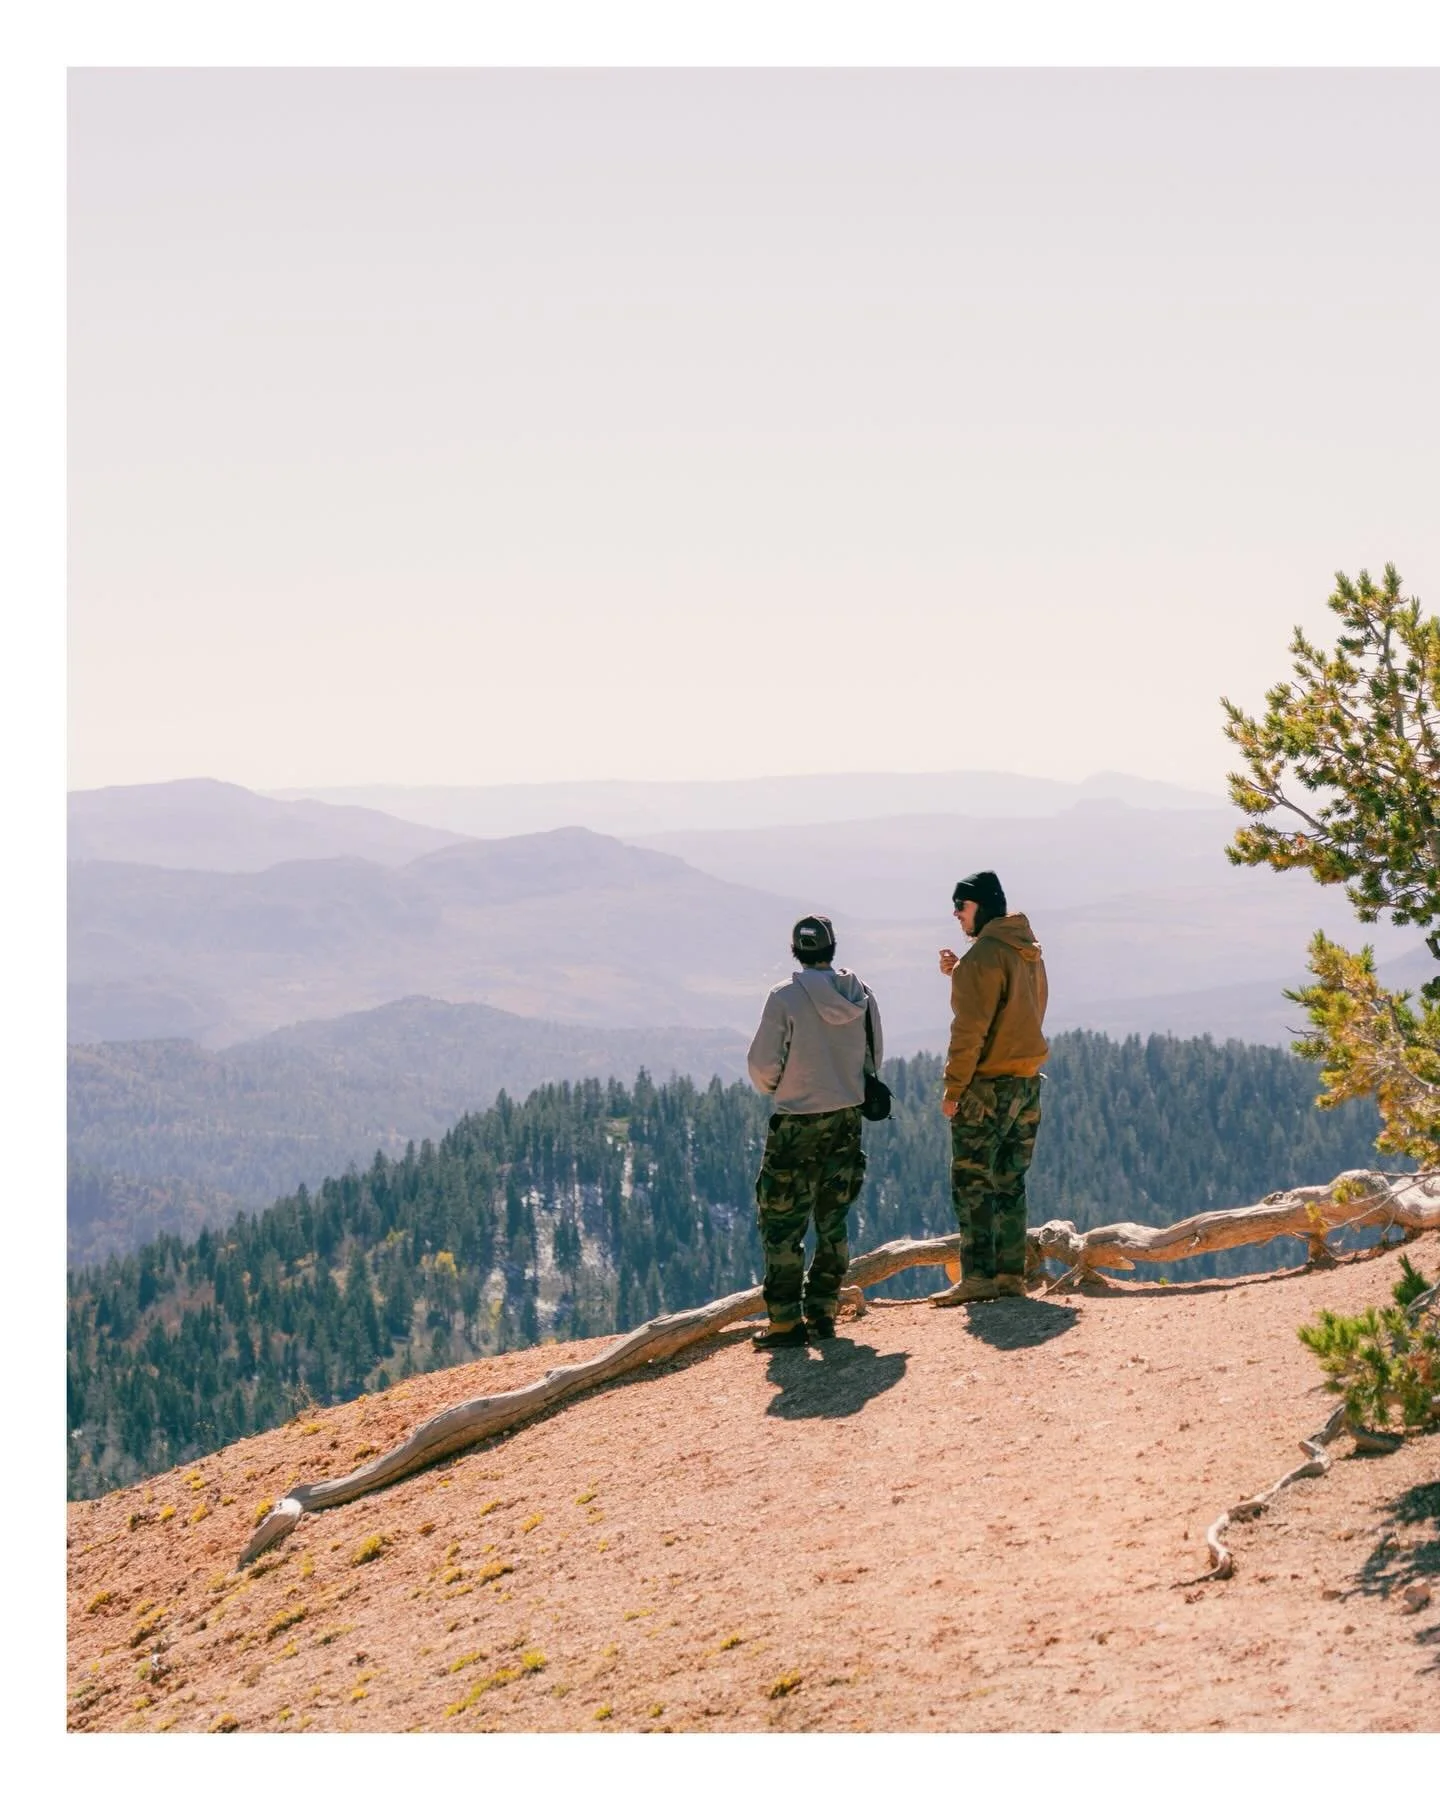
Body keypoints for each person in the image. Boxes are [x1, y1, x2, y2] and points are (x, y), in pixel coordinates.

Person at [746, 915, 882, 1349]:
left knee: (783, 1222)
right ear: (832, 948)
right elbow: (874, 1055)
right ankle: (823, 1310)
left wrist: (783, 1088)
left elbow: (763, 1066)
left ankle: (786, 1321)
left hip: (797, 1120)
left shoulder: (784, 998)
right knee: (833, 1216)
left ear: (796, 951)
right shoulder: (861, 995)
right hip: (846, 1118)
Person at [932, 870, 1048, 1305]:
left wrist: (953, 1090)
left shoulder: (982, 959)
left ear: (979, 906)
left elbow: (969, 1033)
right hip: (1026, 1084)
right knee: (1010, 1182)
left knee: (973, 1182)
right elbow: (1015, 1008)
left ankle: (977, 1278)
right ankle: (1009, 1278)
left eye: (961, 906)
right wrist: (961, 973)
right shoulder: (1027, 951)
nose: (957, 915)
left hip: (985, 1088)